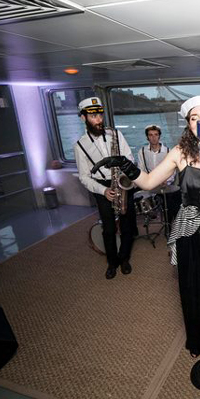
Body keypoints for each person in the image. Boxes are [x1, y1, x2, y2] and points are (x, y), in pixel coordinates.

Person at [91, 96, 200, 357]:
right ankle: (198, 341)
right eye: (194, 118)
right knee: (190, 286)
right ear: (189, 125)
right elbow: (148, 182)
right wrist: (127, 166)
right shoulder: (179, 153)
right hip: (188, 229)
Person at [74, 96, 137, 280]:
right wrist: (103, 191)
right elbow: (84, 177)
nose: (99, 120)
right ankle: (112, 262)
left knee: (127, 225)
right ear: (83, 118)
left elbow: (129, 158)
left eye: (100, 115)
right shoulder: (80, 146)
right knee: (108, 229)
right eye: (93, 116)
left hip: (121, 181)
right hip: (102, 187)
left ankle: (124, 258)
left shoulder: (116, 135)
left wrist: (122, 173)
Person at [136, 124, 180, 224]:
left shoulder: (168, 151)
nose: (153, 137)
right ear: (147, 137)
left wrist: (166, 180)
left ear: (159, 136)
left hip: (165, 184)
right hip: (149, 184)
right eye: (150, 135)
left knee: (171, 202)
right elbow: (141, 169)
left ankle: (169, 224)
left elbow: (172, 170)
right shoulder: (142, 151)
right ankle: (152, 215)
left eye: (156, 134)